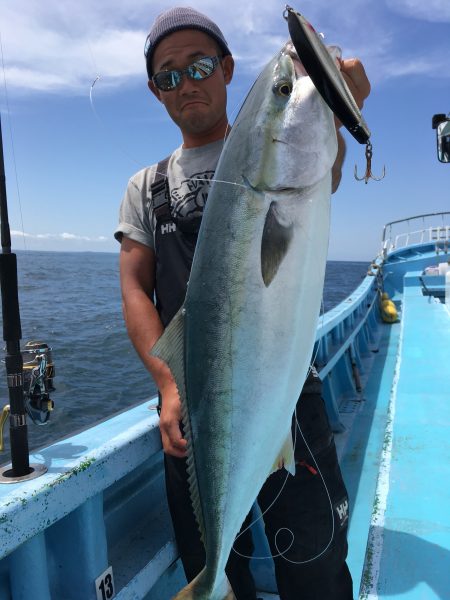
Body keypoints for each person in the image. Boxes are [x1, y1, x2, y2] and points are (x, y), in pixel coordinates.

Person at [115, 7, 371, 599]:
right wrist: (169, 384)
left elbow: (319, 162)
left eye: (199, 65)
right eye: (168, 76)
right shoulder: (144, 187)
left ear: (227, 69)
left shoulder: (287, 152)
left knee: (316, 565)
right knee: (213, 562)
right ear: (157, 93)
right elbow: (134, 286)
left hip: (286, 390)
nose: (187, 83)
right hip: (195, 405)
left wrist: (337, 95)